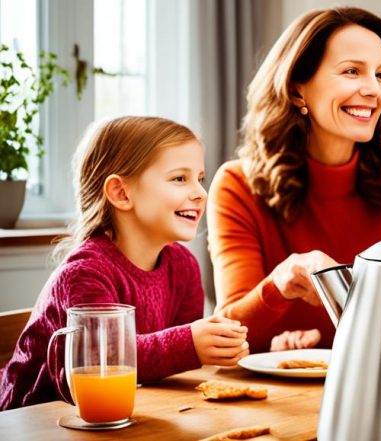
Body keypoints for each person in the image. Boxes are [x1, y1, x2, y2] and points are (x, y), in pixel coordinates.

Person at [207, 7, 381, 353]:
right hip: (275, 400)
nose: (373, 90)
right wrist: (279, 285)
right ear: (296, 90)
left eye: (380, 76)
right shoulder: (236, 186)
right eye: (352, 71)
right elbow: (230, 335)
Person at [0, 116, 249, 411]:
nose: (200, 192)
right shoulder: (84, 273)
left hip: (122, 415)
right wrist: (190, 343)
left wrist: (216, 347)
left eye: (200, 178)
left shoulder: (183, 267)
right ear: (121, 193)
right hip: (34, 421)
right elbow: (100, 362)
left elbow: (175, 370)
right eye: (180, 178)